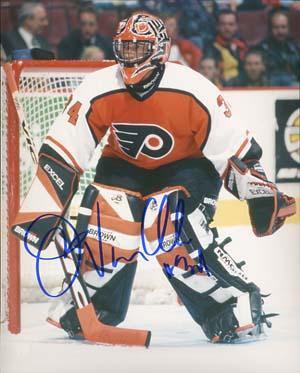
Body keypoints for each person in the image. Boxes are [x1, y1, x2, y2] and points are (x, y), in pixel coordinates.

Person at [12, 12, 295, 344]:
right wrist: (43, 207)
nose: (127, 57)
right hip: (124, 168)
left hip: (188, 169)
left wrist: (258, 193)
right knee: (108, 219)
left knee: (169, 225)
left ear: (160, 51)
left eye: (137, 49)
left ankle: (225, 309)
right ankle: (94, 308)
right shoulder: (100, 86)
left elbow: (235, 153)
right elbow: (64, 148)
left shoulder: (193, 87)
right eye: (123, 48)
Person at [257, 9, 300, 86]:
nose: (280, 31)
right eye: (276, 27)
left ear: (288, 28)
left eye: (283, 27)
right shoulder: (261, 49)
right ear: (270, 29)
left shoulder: (296, 48)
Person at [213, 9, 247, 82]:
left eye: (231, 24)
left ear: (236, 26)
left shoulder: (242, 46)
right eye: (223, 24)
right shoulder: (210, 48)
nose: (227, 28)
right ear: (217, 26)